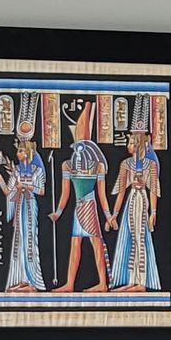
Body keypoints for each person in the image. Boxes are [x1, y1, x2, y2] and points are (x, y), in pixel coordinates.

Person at [51, 98, 111, 293]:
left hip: (89, 206)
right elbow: (65, 193)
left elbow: (101, 194)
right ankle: (70, 283)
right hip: (79, 207)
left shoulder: (97, 166)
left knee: (95, 242)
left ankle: (102, 283)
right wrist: (58, 212)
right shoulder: (67, 165)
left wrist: (109, 216)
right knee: (75, 243)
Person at [0, 114, 47, 293]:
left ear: (28, 153)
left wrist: (25, 185)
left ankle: (33, 282)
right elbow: (7, 192)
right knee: (18, 243)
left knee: (30, 240)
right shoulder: (16, 170)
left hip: (30, 207)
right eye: (18, 151)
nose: (18, 154)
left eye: (21, 151)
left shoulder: (36, 170)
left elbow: (42, 191)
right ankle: (21, 279)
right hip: (19, 206)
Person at [108, 120, 162, 292]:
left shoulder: (150, 165)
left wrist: (153, 213)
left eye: (132, 143)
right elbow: (121, 191)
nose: (128, 146)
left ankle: (141, 282)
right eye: (129, 142)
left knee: (140, 239)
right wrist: (114, 214)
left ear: (140, 144)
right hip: (131, 200)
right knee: (132, 239)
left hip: (142, 200)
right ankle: (132, 280)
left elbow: (153, 189)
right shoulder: (126, 164)